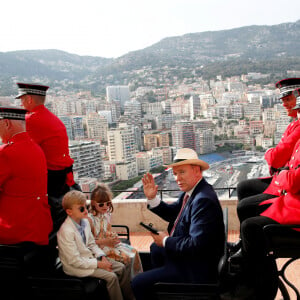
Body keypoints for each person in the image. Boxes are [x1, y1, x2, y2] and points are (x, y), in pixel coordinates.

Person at [131, 148, 225, 300]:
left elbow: (195, 244)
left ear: (196, 171)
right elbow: (173, 213)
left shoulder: (203, 200)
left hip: (195, 268)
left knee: (137, 284)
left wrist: (166, 240)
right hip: (191, 258)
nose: (177, 178)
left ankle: (162, 285)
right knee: (155, 248)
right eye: (175, 173)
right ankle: (162, 288)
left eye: (182, 172)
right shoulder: (193, 192)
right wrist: (153, 199)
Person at [234, 88, 300, 299]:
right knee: (248, 213)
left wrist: (282, 175)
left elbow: (291, 177)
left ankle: (260, 286)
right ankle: (254, 266)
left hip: (295, 210)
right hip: (291, 201)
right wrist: (284, 173)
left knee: (249, 224)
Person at [15, 82, 80, 232]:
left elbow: (22, 150)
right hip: (63, 180)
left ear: (29, 99)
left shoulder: (32, 120)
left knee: (47, 230)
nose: (21, 103)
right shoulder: (52, 118)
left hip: (50, 183)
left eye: (22, 99)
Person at [57, 190, 134, 300]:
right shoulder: (66, 232)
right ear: (69, 212)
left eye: (85, 206)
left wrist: (102, 257)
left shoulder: (84, 222)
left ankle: (126, 295)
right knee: (111, 277)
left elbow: (92, 244)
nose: (85, 210)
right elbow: (74, 261)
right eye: (81, 208)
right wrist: (99, 264)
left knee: (121, 268)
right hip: (76, 267)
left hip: (90, 258)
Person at [0, 106, 52, 245]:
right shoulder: (37, 149)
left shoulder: (6, 153)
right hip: (39, 228)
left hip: (15, 232)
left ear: (6, 123)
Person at [88, 183, 143, 278]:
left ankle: (135, 280)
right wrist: (106, 241)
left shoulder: (107, 215)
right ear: (93, 203)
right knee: (126, 257)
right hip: (98, 250)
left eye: (108, 203)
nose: (105, 206)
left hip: (108, 245)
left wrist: (113, 237)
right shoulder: (90, 220)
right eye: (101, 204)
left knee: (134, 252)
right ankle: (128, 282)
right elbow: (90, 243)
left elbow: (108, 231)